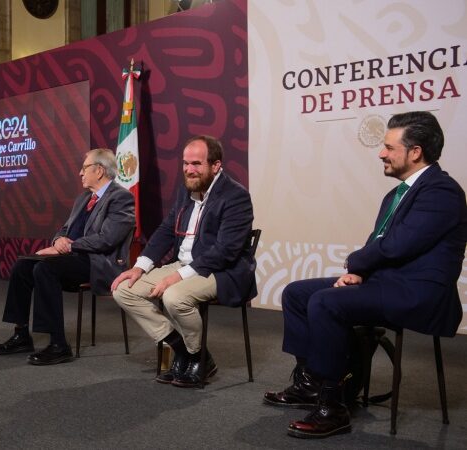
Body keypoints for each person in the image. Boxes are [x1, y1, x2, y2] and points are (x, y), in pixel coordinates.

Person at [264, 111, 467, 439]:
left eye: (389, 147)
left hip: (419, 293)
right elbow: (384, 246)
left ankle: (333, 407)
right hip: (387, 282)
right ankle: (310, 384)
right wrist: (360, 273)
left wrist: (356, 265)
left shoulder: (441, 191)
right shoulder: (396, 194)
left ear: (415, 152)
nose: (381, 153)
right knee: (296, 293)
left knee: (327, 303)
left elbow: (398, 246)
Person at [112, 135, 256, 388]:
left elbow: (226, 250)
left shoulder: (236, 196)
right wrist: (140, 266)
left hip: (222, 270)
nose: (189, 170)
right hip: (183, 264)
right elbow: (167, 230)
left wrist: (177, 276)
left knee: (174, 297)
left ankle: (196, 356)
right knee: (124, 290)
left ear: (216, 165)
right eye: (185, 163)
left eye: (197, 164)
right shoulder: (186, 190)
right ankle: (186, 351)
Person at [0, 148, 135, 365]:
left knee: (45, 269)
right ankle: (21, 334)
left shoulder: (121, 198)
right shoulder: (84, 198)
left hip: (99, 263)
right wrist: (58, 241)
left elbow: (107, 239)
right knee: (22, 266)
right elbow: (64, 229)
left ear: (99, 170)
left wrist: (69, 247)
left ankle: (59, 344)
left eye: (84, 168)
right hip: (73, 258)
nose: (80, 173)